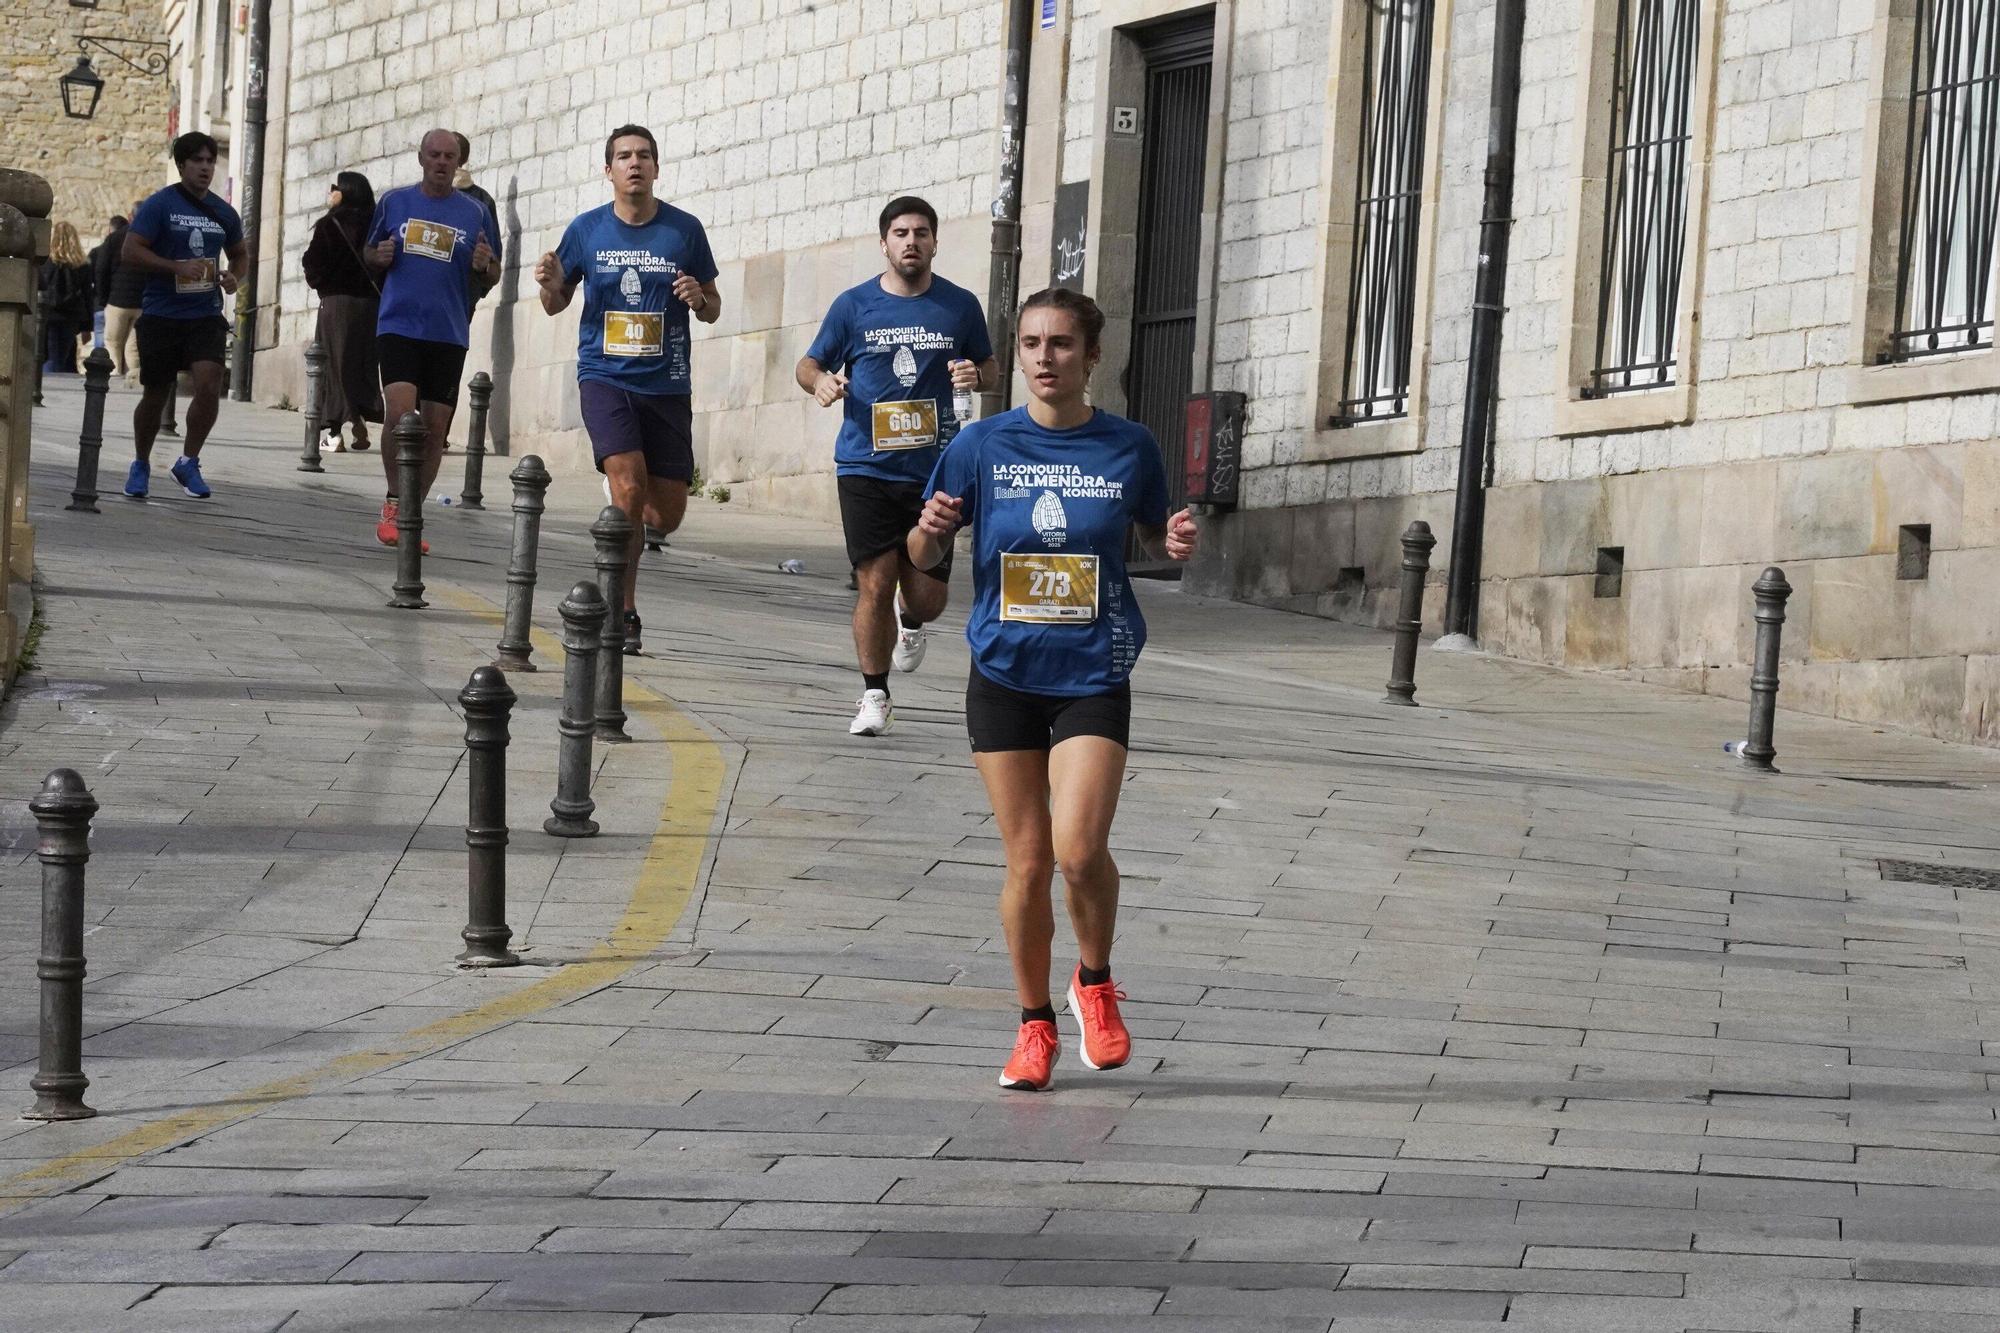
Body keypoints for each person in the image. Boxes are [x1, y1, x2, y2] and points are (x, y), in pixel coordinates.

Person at [907, 288, 1198, 1092]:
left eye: (1062, 344)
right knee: (1029, 863)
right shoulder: (980, 445)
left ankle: (1094, 982)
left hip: (1094, 669)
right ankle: (1034, 1024)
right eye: (1031, 342)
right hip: (1002, 671)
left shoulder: (1129, 446)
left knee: (1078, 851)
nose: (1043, 358)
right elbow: (924, 559)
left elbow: (1148, 535)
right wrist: (928, 534)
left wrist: (1168, 539)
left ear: (1091, 356)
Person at [798, 196, 995, 737]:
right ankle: (874, 693)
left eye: (922, 233)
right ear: (883, 243)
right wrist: (820, 382)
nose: (912, 242)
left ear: (935, 242)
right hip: (865, 465)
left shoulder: (958, 306)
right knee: (875, 584)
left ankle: (912, 625)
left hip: (937, 471)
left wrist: (976, 377)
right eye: (901, 233)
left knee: (927, 599)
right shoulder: (854, 306)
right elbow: (808, 362)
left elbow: (991, 366)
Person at [534, 123, 720, 654]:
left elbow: (713, 307)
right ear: (608, 170)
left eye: (643, 156)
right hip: (605, 376)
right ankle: (623, 610)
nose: (634, 164)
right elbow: (557, 302)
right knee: (630, 485)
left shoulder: (683, 231)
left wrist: (697, 299)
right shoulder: (587, 230)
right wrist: (550, 284)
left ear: (656, 168)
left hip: (666, 383)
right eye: (623, 156)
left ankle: (627, 506)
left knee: (664, 515)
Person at [365, 128, 501, 546]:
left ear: (459, 162)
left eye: (450, 156)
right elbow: (368, 253)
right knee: (404, 417)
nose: (442, 162)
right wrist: (379, 256)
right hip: (399, 324)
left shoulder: (475, 212)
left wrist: (483, 265)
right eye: (435, 155)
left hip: (448, 330)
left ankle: (411, 511)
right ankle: (392, 502)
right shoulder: (394, 202)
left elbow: (494, 271)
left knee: (435, 428)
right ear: (421, 158)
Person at [121, 132, 247, 500]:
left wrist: (234, 277)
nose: (206, 168)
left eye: (210, 161)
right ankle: (141, 462)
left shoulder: (224, 212)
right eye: (198, 161)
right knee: (156, 394)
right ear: (182, 165)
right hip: (161, 312)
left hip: (204, 313)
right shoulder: (160, 205)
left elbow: (240, 254)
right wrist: (174, 267)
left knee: (209, 384)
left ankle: (188, 461)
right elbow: (131, 250)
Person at [301, 171, 383, 451]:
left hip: (337, 304)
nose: (330, 192)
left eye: (334, 188)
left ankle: (334, 433)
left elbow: (313, 264)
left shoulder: (330, 224)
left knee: (334, 367)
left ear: (344, 192)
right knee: (360, 365)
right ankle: (358, 422)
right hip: (372, 306)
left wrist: (323, 284)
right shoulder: (377, 224)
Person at [452, 132, 501, 312]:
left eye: (449, 154)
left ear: (460, 158)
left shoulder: (481, 203)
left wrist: (476, 289)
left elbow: (493, 256)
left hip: (462, 294)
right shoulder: (421, 196)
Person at [101, 205, 148, 383]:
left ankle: (113, 379)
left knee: (113, 342)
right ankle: (134, 379)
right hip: (142, 300)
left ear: (130, 216)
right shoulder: (151, 238)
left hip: (117, 299)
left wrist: (103, 296)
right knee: (133, 346)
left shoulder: (115, 238)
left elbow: (102, 268)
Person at [39, 222, 93, 374]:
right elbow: (88, 295)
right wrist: (87, 327)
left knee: (49, 356)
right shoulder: (82, 265)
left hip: (48, 314)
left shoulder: (46, 262)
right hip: (71, 316)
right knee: (62, 356)